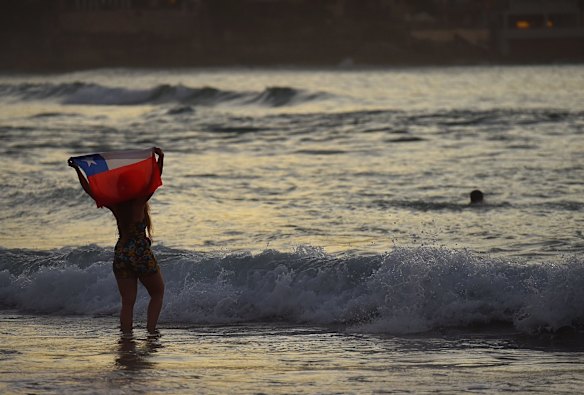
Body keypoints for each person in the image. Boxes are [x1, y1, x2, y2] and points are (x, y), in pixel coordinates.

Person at [69, 147, 165, 334]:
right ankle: (151, 332)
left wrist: (78, 170)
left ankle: (126, 337)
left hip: (121, 253)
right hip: (139, 252)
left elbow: (91, 191)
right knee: (157, 292)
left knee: (127, 302)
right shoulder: (139, 202)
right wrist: (160, 159)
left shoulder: (116, 205)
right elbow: (153, 180)